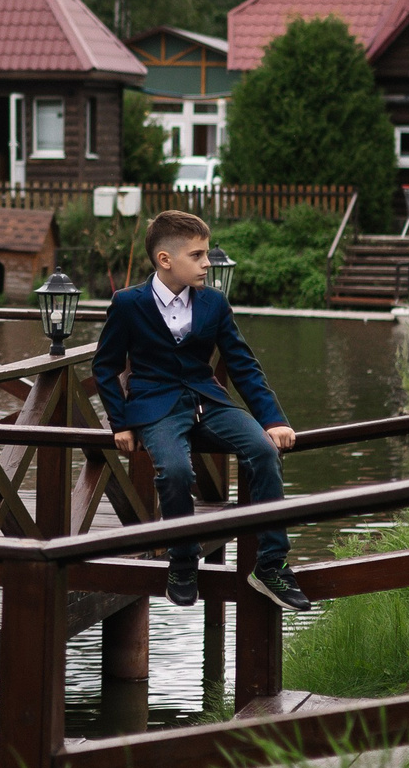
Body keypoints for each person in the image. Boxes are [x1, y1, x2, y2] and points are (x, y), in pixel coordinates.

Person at [91, 208, 312, 612]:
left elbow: (243, 365)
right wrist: (119, 422)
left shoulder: (214, 303)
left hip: (208, 401)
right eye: (197, 255)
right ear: (165, 260)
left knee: (263, 451)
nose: (207, 263)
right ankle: (182, 561)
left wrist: (274, 419)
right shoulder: (127, 304)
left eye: (205, 254)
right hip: (155, 406)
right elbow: (104, 366)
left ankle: (271, 564)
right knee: (175, 471)